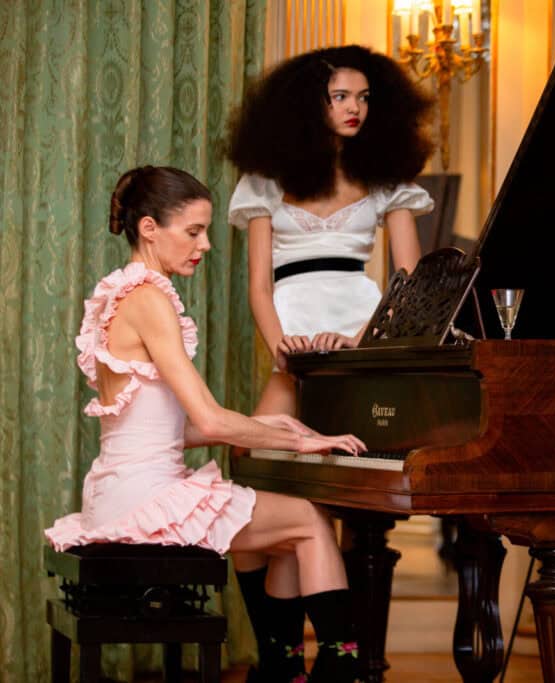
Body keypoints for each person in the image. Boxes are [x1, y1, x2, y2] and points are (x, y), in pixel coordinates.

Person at [44, 166, 368, 683]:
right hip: (145, 498)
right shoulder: (148, 299)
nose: (207, 245)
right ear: (149, 228)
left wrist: (278, 423)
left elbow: (169, 429)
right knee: (309, 520)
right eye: (194, 231)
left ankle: (283, 670)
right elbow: (212, 422)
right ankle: (342, 667)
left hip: (118, 489)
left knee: (284, 536)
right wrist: (306, 440)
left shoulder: (119, 293)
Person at [226, 44, 435, 418]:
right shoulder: (264, 182)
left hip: (362, 321)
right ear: (309, 104)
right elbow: (259, 286)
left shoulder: (387, 181)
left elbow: (411, 282)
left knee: (367, 438)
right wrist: (281, 348)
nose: (354, 108)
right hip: (294, 329)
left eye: (363, 98)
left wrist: (359, 341)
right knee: (257, 448)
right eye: (340, 97)